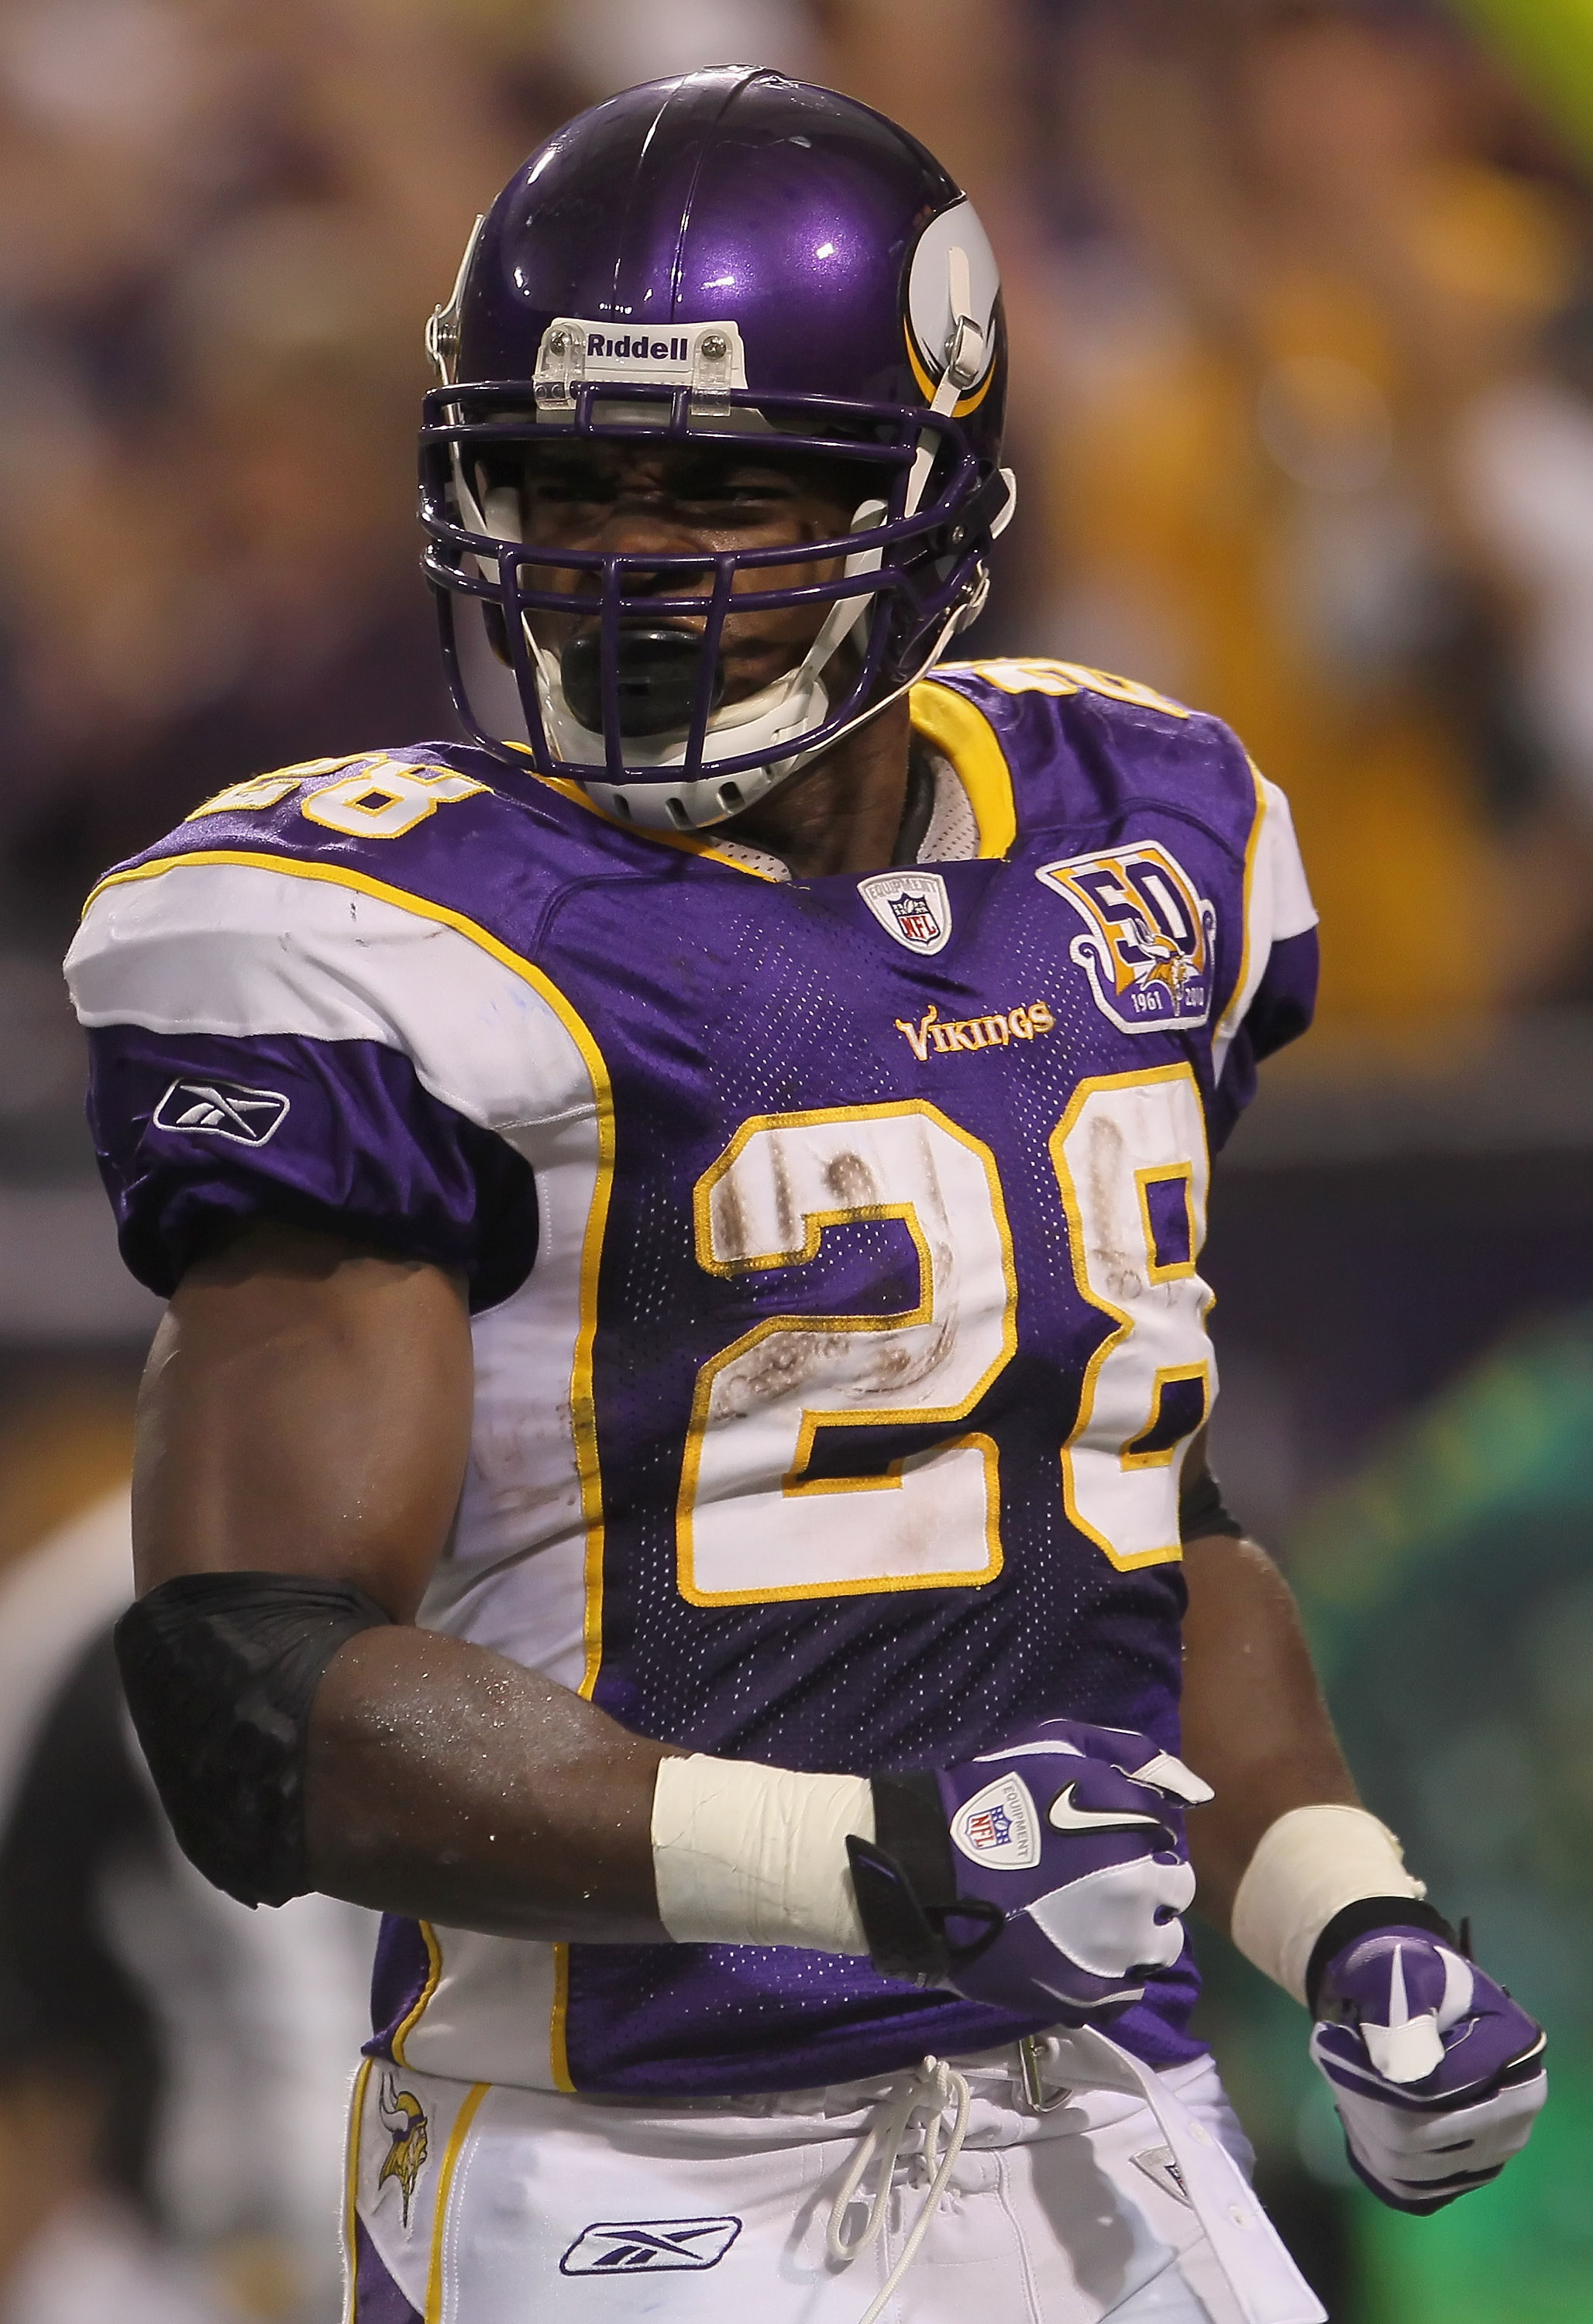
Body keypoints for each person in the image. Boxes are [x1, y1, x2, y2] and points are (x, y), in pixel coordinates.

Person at [65, 68, 1545, 2324]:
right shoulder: (383, 934)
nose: (638, 560)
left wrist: (1344, 1911)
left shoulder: (1144, 836)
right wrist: (857, 1859)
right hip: (625, 2152)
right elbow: (260, 1705)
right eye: (568, 481)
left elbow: (1140, 1512)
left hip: (1091, 2101)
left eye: (734, 482)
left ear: (937, 494)